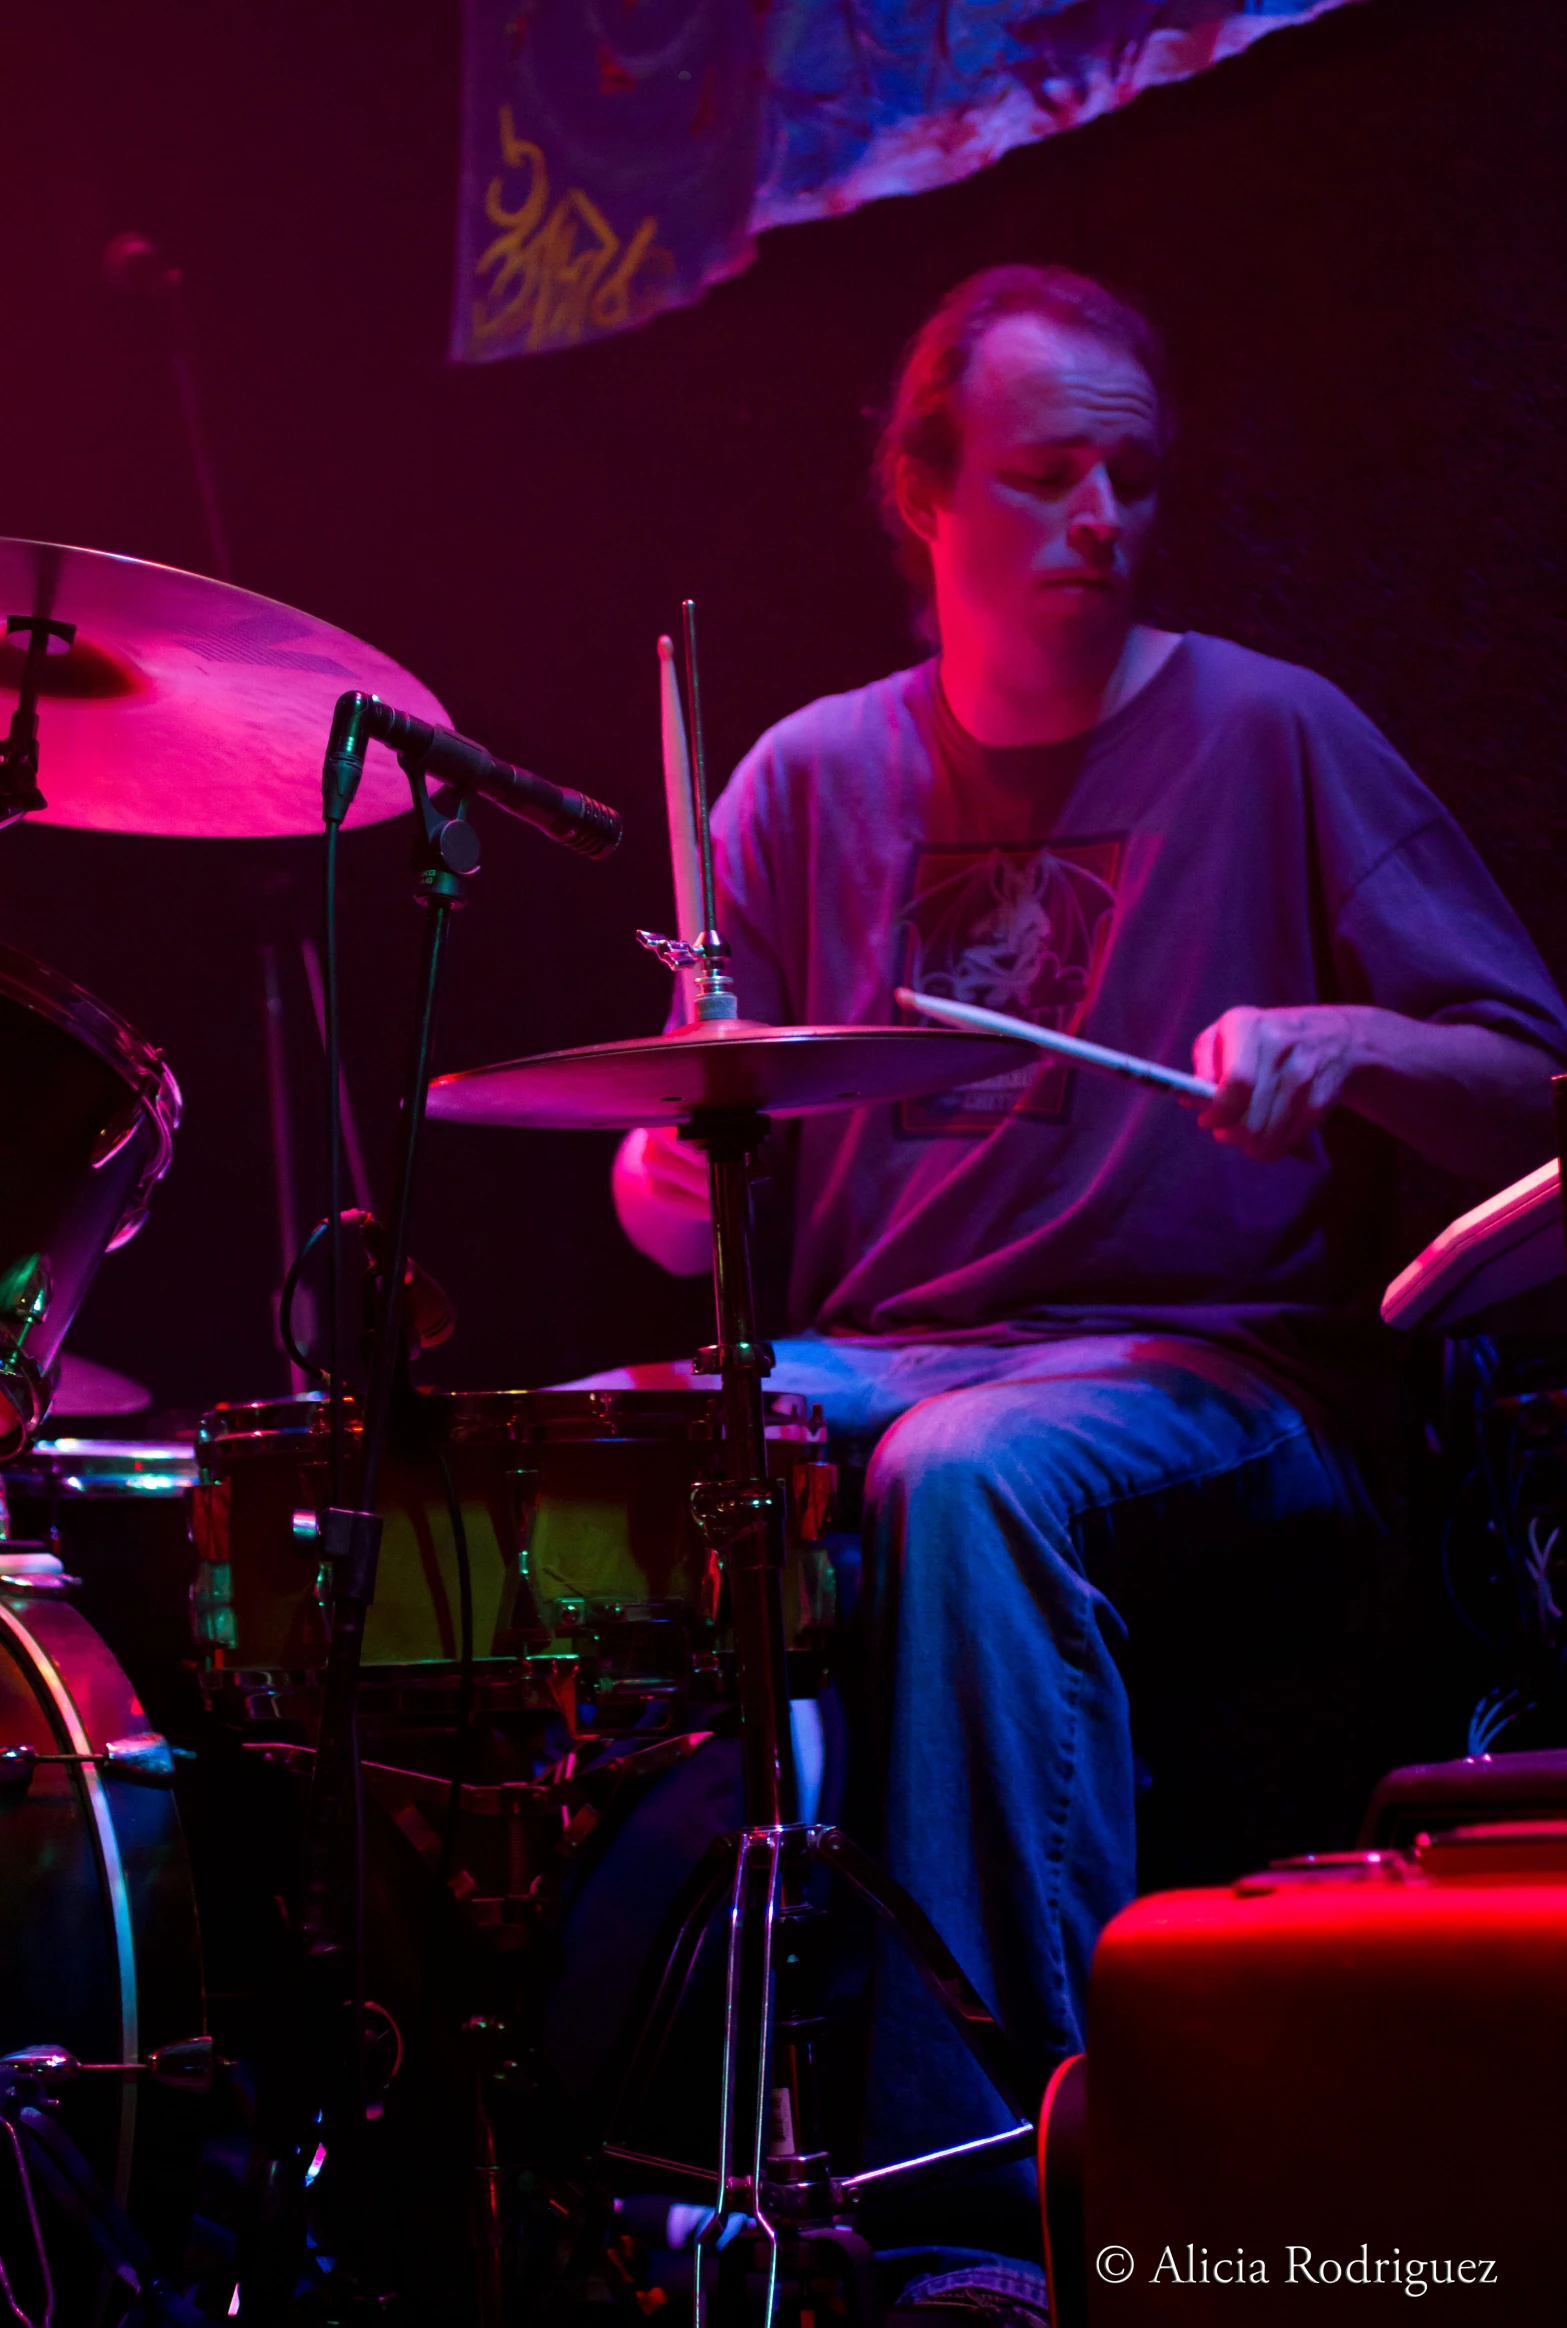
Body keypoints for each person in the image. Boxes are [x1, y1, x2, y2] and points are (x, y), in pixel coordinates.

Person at [603, 265, 1567, 2220]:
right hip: (884, 1348)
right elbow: (676, 1165)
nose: (1107, 518)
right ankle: (591, 2134)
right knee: (602, 1444)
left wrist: (1350, 1036)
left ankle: (989, 2201)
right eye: (1054, 474)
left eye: (1135, 474)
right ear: (926, 493)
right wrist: (665, 1178)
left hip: (1229, 1370)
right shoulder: (799, 780)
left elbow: (1530, 1078)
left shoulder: (1274, 735)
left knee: (966, 1473)